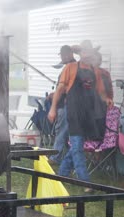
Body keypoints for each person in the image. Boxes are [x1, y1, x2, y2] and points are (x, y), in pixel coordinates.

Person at [48, 40, 113, 192]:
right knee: (77, 147)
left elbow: (101, 92)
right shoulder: (70, 68)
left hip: (89, 114)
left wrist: (107, 99)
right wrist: (53, 109)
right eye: (84, 51)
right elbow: (60, 89)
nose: (87, 54)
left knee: (76, 147)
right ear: (80, 53)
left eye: (89, 51)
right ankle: (85, 182)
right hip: (74, 112)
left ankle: (62, 174)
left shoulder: (94, 71)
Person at [48, 45, 76, 164]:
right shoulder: (72, 66)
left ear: (67, 55)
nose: (62, 58)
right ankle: (66, 158)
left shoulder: (71, 67)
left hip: (66, 106)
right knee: (66, 132)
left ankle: (55, 157)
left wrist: (57, 94)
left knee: (61, 130)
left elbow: (65, 88)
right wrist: (54, 93)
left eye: (63, 55)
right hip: (66, 104)